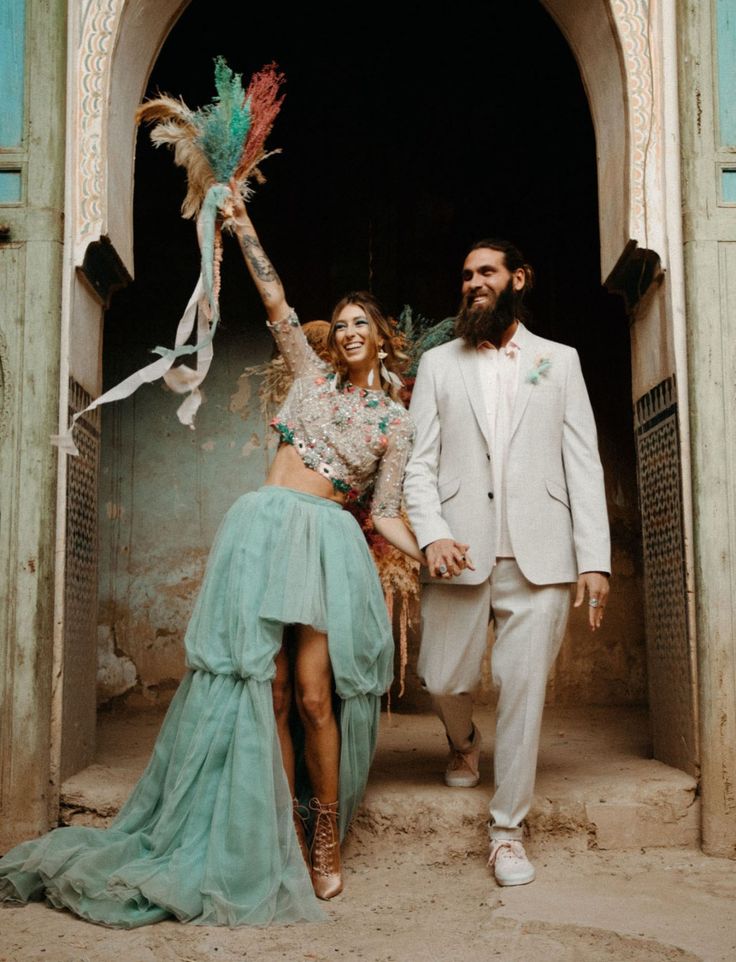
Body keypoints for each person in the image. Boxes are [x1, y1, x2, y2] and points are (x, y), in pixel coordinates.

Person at [0, 198, 422, 927]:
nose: (349, 332)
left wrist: (434, 550)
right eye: (342, 323)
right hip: (261, 529)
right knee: (275, 689)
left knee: (318, 696)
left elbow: (385, 511)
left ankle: (324, 836)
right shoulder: (309, 374)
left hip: (324, 542)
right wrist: (241, 221)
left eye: (363, 324)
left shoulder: (395, 422)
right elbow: (275, 297)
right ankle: (284, 837)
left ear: (384, 338)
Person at [403, 239, 610, 888]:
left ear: (519, 279)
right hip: (459, 550)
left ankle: (507, 833)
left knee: (524, 695)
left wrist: (594, 559)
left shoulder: (560, 362)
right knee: (438, 677)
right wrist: (432, 533)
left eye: (486, 272)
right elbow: (417, 466)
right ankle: (463, 741)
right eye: (465, 275)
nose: (472, 283)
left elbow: (582, 462)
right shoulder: (438, 364)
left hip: (541, 556)